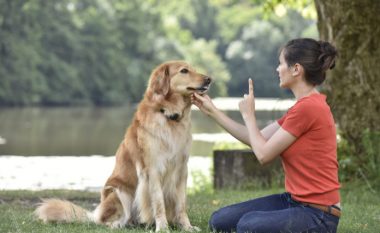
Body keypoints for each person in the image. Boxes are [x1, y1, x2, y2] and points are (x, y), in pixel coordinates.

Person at [191, 38, 341, 233]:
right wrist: (213, 112)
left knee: (248, 226)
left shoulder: (310, 108)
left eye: (281, 63)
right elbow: (257, 139)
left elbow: (263, 155)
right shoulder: (301, 108)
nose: (277, 69)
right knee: (219, 220)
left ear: (296, 69)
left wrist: (249, 115)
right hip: (294, 202)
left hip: (319, 215)